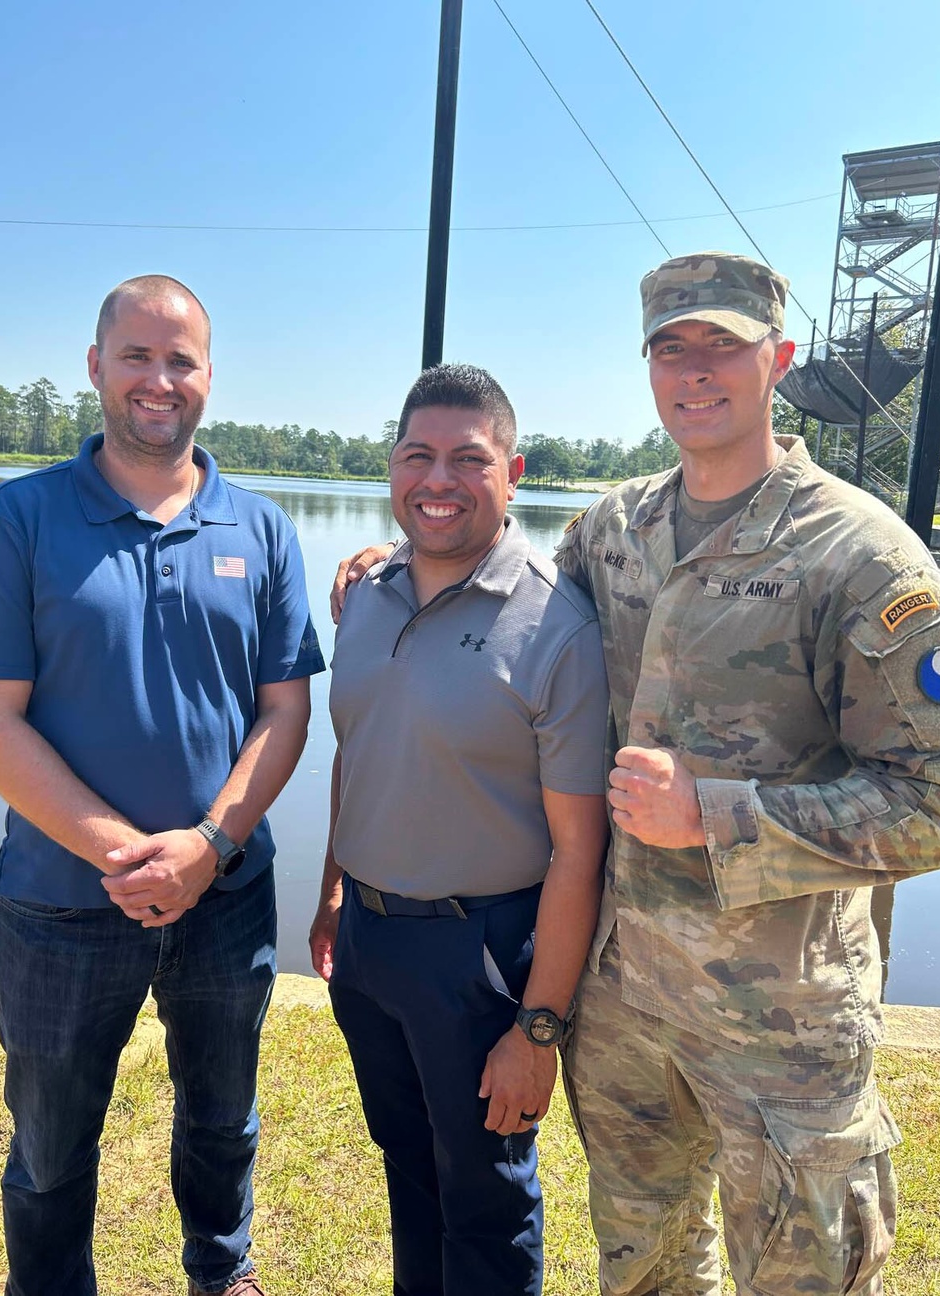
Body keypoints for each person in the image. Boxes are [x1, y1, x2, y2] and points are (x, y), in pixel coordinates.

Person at [331, 254, 940, 1296]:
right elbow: (497, 594)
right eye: (672, 347)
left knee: (803, 1280)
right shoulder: (612, 530)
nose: (695, 370)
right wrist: (389, 563)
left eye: (724, 345)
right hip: (624, 1003)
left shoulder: (860, 555)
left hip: (781, 1022)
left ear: (782, 360)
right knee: (648, 1271)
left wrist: (719, 817)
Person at [0, 274, 325, 1296]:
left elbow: (285, 712)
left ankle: (221, 1271)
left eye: (181, 360)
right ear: (96, 366)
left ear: (208, 377)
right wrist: (126, 854)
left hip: (225, 896)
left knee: (223, 1118)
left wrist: (208, 846)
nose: (158, 380)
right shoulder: (17, 521)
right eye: (136, 355)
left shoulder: (258, 529)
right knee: (48, 1145)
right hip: (61, 900)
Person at [310, 362, 609, 1296]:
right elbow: (356, 751)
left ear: (513, 473)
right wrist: (330, 893)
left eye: (467, 460)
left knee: (486, 1200)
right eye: (417, 456)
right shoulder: (367, 594)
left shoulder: (557, 625)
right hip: (367, 939)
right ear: (390, 467)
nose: (437, 480)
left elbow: (579, 851)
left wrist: (539, 1028)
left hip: (479, 955)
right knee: (409, 1169)